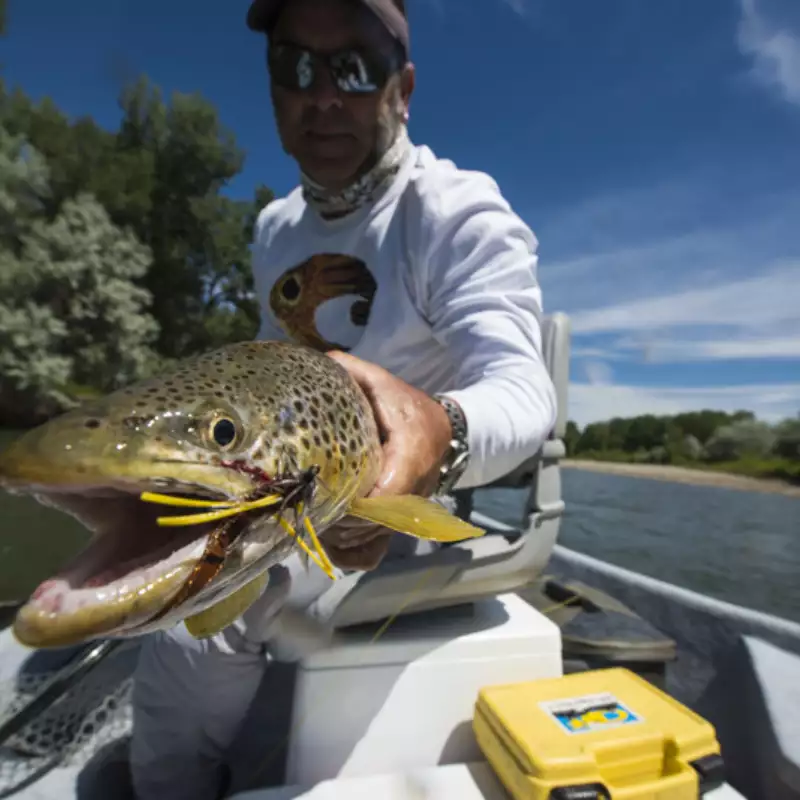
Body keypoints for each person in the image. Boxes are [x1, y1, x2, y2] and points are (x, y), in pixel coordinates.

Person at [128, 0, 557, 797]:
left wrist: (439, 433)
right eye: (296, 66)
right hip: (291, 496)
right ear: (272, 88)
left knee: (191, 637)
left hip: (408, 517)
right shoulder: (273, 227)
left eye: (355, 66)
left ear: (405, 87)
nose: (323, 94)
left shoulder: (455, 213)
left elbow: (524, 392)